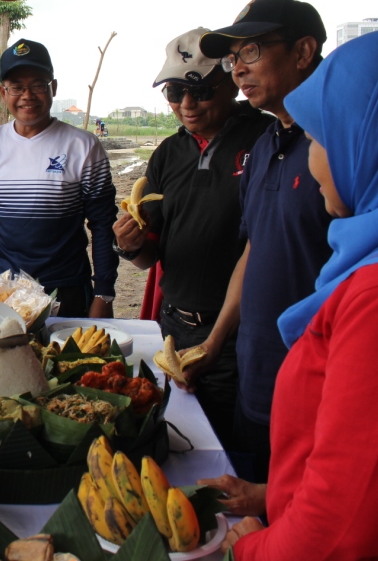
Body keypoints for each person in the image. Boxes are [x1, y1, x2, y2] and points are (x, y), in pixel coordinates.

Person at [224, 28, 378, 559]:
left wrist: (251, 552)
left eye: (322, 139)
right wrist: (276, 496)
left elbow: (342, 529)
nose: (311, 161)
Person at [187, 0, 334, 489]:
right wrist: (215, 341)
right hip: (255, 368)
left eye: (250, 51)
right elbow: (255, 249)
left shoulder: (340, 148)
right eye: (233, 60)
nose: (237, 71)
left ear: (303, 50)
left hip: (317, 380)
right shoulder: (266, 145)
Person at [112, 28, 273, 448]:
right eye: (174, 92)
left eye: (198, 91)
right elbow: (150, 256)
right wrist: (129, 245)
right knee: (177, 442)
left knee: (229, 449)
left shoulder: (266, 140)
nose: (186, 105)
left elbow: (266, 249)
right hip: (174, 327)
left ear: (230, 83)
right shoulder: (168, 152)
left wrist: (217, 341)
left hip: (240, 336)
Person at [0, 38, 117, 318]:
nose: (27, 95)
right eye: (17, 87)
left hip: (64, 290)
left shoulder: (84, 147)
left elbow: (103, 224)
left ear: (53, 88)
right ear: (3, 92)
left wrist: (103, 293)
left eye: (37, 84)